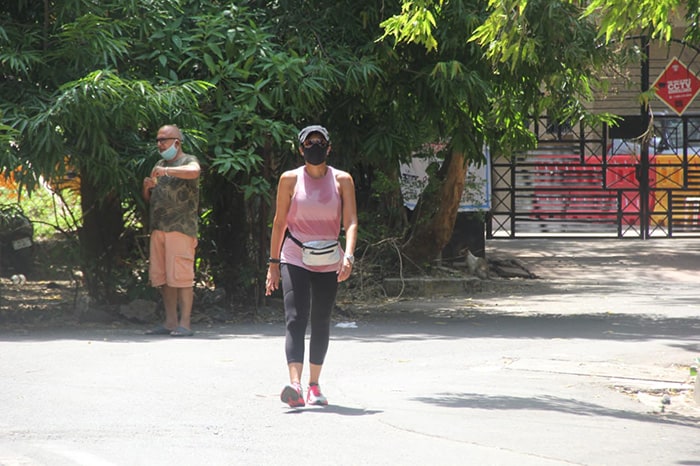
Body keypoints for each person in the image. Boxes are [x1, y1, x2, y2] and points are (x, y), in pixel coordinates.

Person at [265, 125, 358, 407]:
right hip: (294, 254)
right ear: (300, 148)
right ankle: (294, 385)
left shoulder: (343, 180)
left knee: (320, 319)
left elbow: (351, 221)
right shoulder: (289, 179)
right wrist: (272, 263)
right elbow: (280, 222)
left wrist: (349, 255)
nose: (314, 147)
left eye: (320, 143)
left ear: (328, 148)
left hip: (329, 256)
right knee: (295, 317)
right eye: (309, 142)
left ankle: (314, 386)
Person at [142, 124, 201, 337]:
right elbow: (151, 198)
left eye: (164, 140)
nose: (160, 144)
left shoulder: (188, 161)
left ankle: (185, 324)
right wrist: (147, 188)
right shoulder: (158, 163)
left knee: (182, 277)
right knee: (164, 278)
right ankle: (170, 322)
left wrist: (167, 170)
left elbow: (194, 172)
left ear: (177, 142)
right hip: (159, 229)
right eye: (158, 140)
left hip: (181, 228)